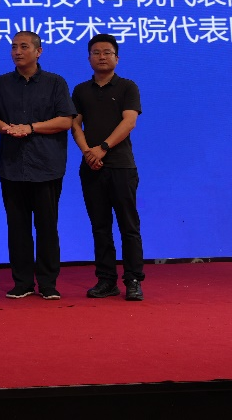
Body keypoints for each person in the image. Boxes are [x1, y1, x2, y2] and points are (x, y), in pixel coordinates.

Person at [0, 31, 76, 301]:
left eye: (24, 46)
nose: (17, 52)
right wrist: (5, 128)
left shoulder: (55, 83)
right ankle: (23, 282)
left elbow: (66, 120)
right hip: (12, 166)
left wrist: (30, 128)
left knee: (47, 227)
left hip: (46, 166)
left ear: (39, 51)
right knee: (17, 228)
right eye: (14, 47)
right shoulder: (0, 84)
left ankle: (48, 283)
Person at [71, 33, 145, 302]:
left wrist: (102, 148)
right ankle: (106, 280)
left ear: (117, 58)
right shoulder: (80, 90)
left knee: (128, 226)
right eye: (96, 52)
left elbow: (129, 122)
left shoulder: (127, 87)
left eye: (107, 52)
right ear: (89, 57)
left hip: (121, 166)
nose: (101, 57)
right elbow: (75, 124)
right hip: (91, 167)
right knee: (100, 227)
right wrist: (87, 153)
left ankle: (133, 280)